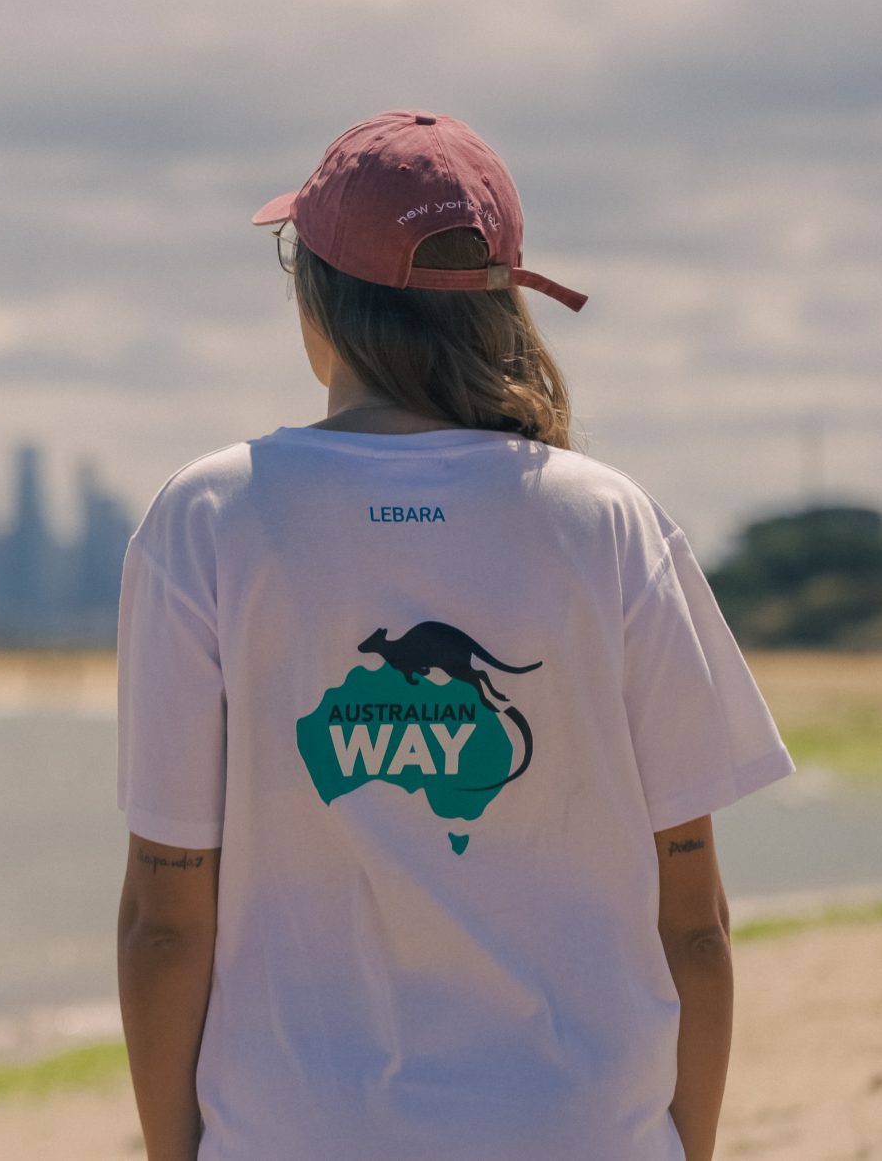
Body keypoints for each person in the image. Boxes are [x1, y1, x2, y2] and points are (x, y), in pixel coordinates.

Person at [114, 110, 793, 1161]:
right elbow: (693, 924)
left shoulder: (210, 519)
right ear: (505, 303)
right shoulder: (608, 524)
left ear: (316, 296)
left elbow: (166, 924)